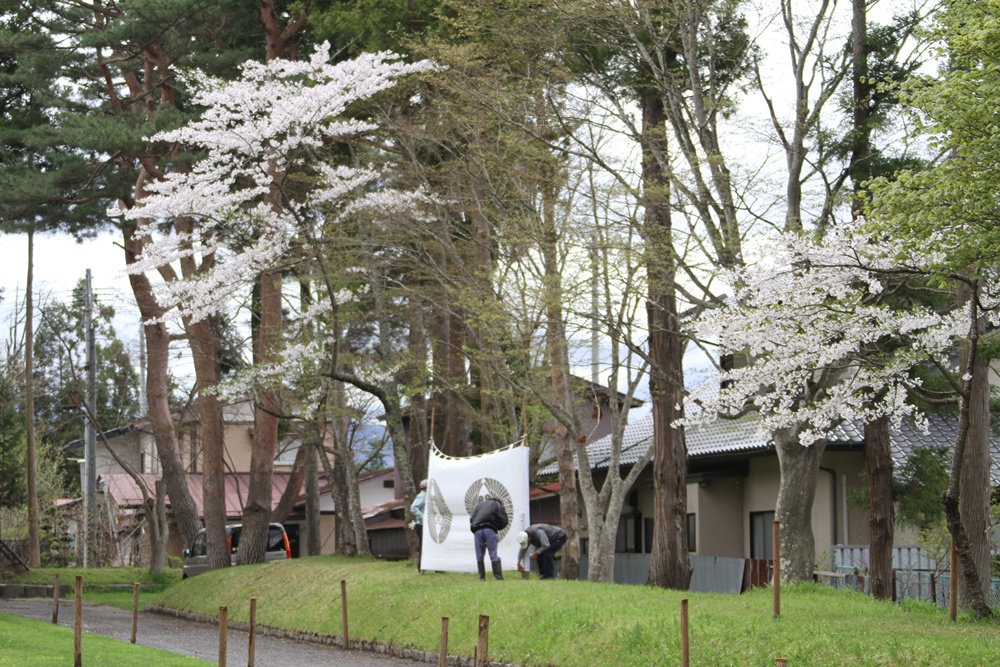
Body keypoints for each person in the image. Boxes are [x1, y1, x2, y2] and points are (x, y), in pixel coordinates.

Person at [469, 496, 508, 581]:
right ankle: (498, 577)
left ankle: (481, 577)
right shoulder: (498, 505)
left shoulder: (479, 505)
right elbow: (504, 520)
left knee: (479, 555)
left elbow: (472, 519)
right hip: (489, 530)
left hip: (477, 531)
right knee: (493, 553)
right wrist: (497, 527)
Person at [410, 480, 428, 572]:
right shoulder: (422, 496)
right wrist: (423, 517)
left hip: (427, 525)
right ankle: (421, 567)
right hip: (422, 525)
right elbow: (413, 508)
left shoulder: (427, 496)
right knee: (423, 546)